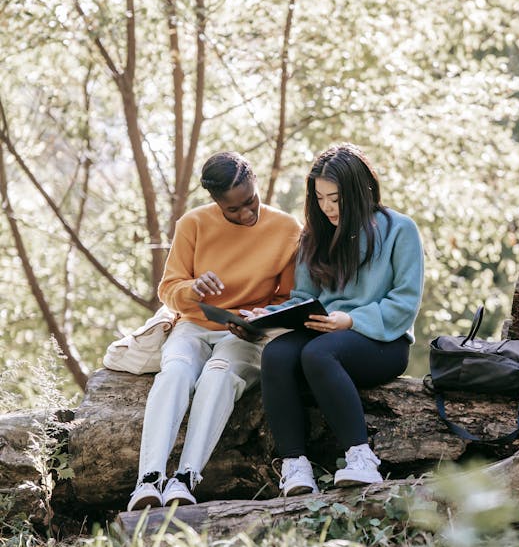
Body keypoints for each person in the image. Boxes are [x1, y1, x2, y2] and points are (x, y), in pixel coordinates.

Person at [126, 152, 301, 511]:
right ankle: (148, 480)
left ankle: (185, 478)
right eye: (233, 209)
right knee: (174, 373)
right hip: (194, 325)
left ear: (256, 184)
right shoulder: (192, 224)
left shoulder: (286, 229)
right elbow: (168, 289)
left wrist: (261, 317)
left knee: (218, 376)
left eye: (250, 201)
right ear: (215, 202)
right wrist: (192, 289)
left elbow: (290, 298)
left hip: (245, 336)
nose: (246, 214)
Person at [247, 142, 424, 497]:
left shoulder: (400, 229)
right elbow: (301, 300)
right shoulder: (315, 236)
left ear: (360, 191)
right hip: (324, 332)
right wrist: (263, 316)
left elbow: (405, 302)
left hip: (382, 341)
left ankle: (361, 459)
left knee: (318, 353)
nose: (327, 207)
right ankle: (295, 465)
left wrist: (351, 321)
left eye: (336, 198)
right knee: (277, 355)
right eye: (320, 198)